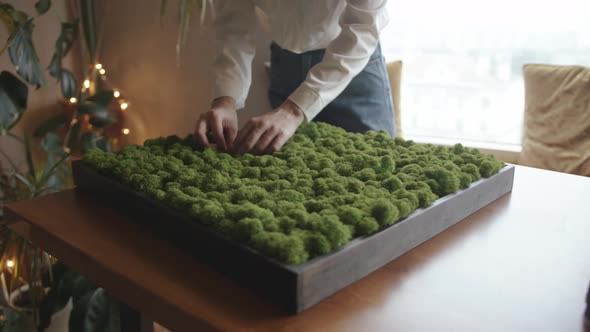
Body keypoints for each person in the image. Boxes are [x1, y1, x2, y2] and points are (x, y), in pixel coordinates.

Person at [195, 0, 395, 154]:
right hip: (285, 65)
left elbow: (363, 28)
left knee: (378, 170)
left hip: (353, 65)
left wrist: (292, 111)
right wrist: (225, 100)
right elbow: (233, 28)